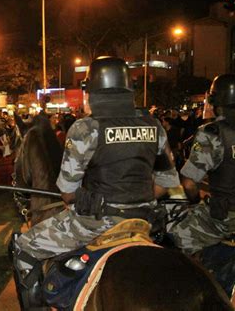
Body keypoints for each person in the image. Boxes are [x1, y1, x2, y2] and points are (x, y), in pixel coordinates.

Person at [11, 57, 180, 308]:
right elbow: (165, 184)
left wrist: (88, 198)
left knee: (23, 247)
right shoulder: (154, 125)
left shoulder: (85, 128)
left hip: (96, 223)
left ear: (90, 93)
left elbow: (67, 193)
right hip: (145, 221)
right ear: (129, 89)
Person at [169, 74, 235, 255]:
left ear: (215, 100)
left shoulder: (212, 133)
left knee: (175, 233)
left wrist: (195, 203)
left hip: (228, 219)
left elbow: (188, 184)